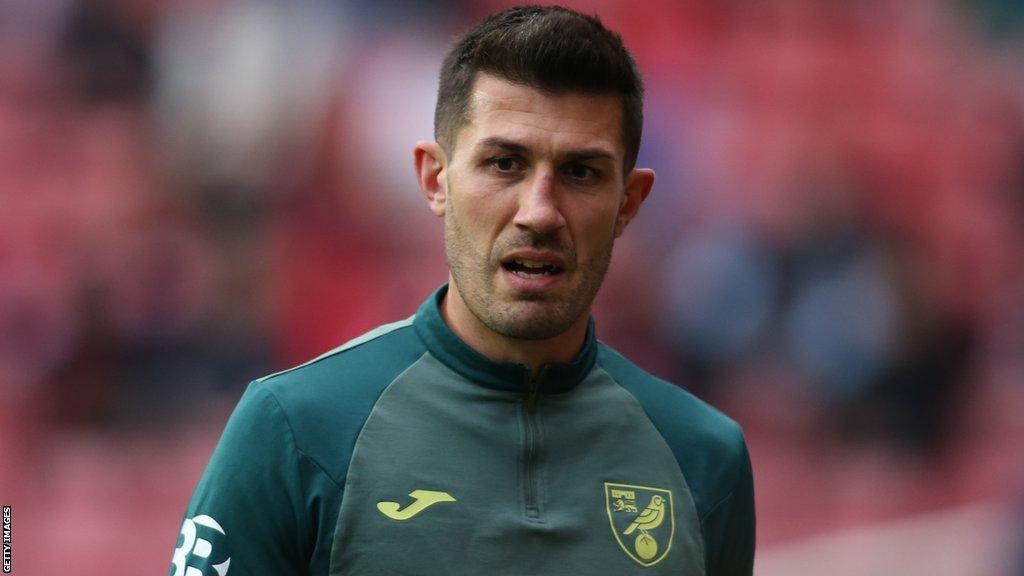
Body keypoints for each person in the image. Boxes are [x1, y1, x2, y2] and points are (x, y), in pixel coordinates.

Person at [170, 6, 755, 576]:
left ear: (628, 202)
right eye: (505, 164)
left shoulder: (702, 458)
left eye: (581, 172)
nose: (539, 212)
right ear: (435, 180)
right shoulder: (295, 430)